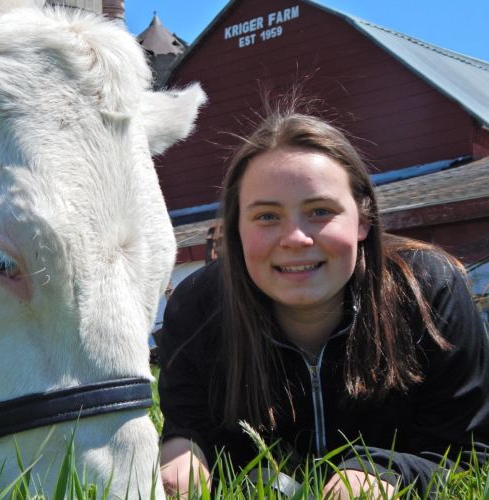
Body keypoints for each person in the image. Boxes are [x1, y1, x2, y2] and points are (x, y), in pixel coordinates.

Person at [157, 109, 489, 498]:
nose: (295, 238)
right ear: (236, 229)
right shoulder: (195, 307)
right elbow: (188, 425)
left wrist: (387, 472)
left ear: (363, 219)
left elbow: (469, 451)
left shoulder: (431, 290)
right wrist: (183, 455)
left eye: (320, 211)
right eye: (266, 215)